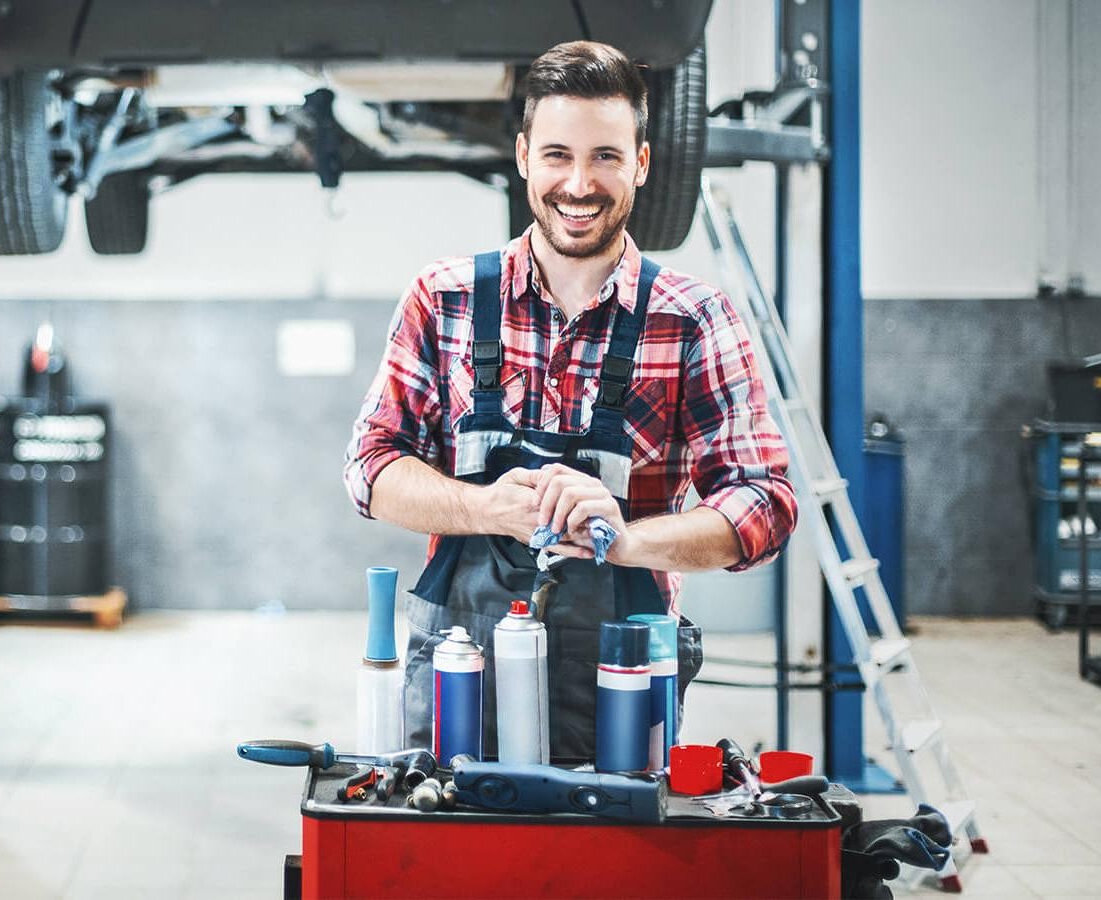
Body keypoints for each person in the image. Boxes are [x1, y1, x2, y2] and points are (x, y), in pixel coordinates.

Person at [342, 40, 798, 759]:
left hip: (624, 677)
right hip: (461, 674)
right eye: (557, 155)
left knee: (606, 868)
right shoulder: (446, 298)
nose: (578, 184)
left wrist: (626, 541)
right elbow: (369, 468)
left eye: (606, 157)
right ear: (523, 155)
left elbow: (765, 504)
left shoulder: (692, 319)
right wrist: (487, 507)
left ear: (641, 164)